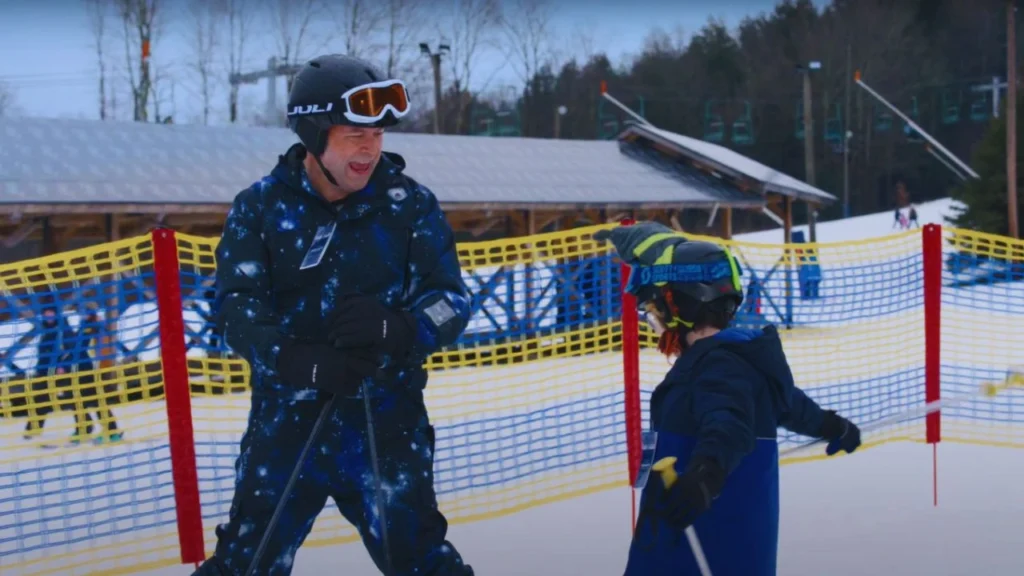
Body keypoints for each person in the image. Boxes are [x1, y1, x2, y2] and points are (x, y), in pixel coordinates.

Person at [193, 54, 474, 576]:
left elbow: (452, 301)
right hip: (286, 427)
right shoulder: (260, 208)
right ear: (313, 133)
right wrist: (294, 359)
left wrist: (402, 327)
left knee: (422, 563)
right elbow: (235, 306)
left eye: (377, 135)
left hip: (387, 427)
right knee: (246, 563)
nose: (369, 148)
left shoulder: (410, 207)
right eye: (353, 135)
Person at [593, 222, 863, 576]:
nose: (651, 320)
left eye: (655, 308)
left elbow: (729, 425)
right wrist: (833, 426)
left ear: (685, 304)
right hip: (712, 534)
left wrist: (704, 477)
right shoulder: (738, 358)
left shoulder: (717, 365)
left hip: (703, 539)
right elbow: (788, 404)